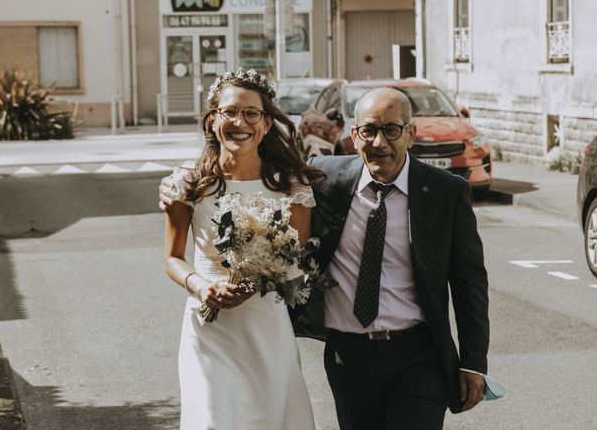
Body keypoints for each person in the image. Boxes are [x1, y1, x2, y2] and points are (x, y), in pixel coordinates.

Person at [291, 87, 490, 430]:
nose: (379, 142)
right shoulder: (324, 179)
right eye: (369, 130)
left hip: (418, 355)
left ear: (411, 135)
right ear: (354, 135)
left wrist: (474, 362)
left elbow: (468, 280)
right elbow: (265, 175)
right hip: (347, 356)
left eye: (391, 130)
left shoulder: (447, 192)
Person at [162, 68, 323, 430]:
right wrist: (201, 286)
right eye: (230, 112)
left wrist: (257, 281)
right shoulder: (187, 183)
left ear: (266, 123)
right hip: (207, 327)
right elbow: (172, 257)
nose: (240, 122)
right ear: (212, 119)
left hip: (267, 326)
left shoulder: (291, 186)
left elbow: (296, 259)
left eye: (251, 113)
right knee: (211, 420)